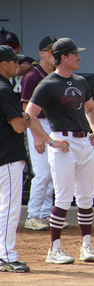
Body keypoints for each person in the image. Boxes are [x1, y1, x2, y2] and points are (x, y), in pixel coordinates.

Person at [26, 38, 94, 264]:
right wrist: (50, 140)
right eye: (75, 54)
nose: (79, 57)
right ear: (63, 57)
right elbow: (29, 116)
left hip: (84, 143)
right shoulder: (48, 83)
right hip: (63, 143)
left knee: (87, 198)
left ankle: (86, 246)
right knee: (63, 198)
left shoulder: (81, 80)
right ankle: (54, 249)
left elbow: (90, 108)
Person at [21, 35, 58, 231]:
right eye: (50, 50)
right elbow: (27, 111)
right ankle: (32, 215)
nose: (54, 54)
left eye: (56, 50)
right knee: (42, 173)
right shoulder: (32, 76)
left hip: (54, 124)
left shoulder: (57, 75)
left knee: (52, 172)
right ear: (41, 53)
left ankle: (45, 213)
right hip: (37, 123)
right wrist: (37, 135)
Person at [0, 45, 31, 273]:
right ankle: (6, 256)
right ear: (4, 64)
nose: (17, 65)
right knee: (9, 209)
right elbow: (19, 126)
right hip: (8, 156)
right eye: (14, 61)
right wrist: (27, 117)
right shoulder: (4, 89)